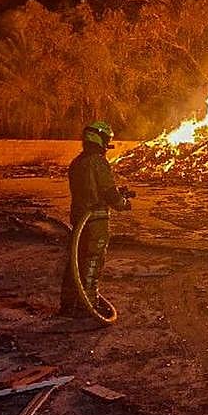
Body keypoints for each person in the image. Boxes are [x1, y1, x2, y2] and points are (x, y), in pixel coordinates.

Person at [59, 120, 131, 319]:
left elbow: (90, 189)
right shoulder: (98, 162)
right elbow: (108, 193)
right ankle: (87, 304)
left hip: (79, 220)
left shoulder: (77, 162)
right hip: (95, 221)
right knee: (92, 260)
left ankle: (68, 305)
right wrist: (122, 203)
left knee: (75, 262)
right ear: (100, 139)